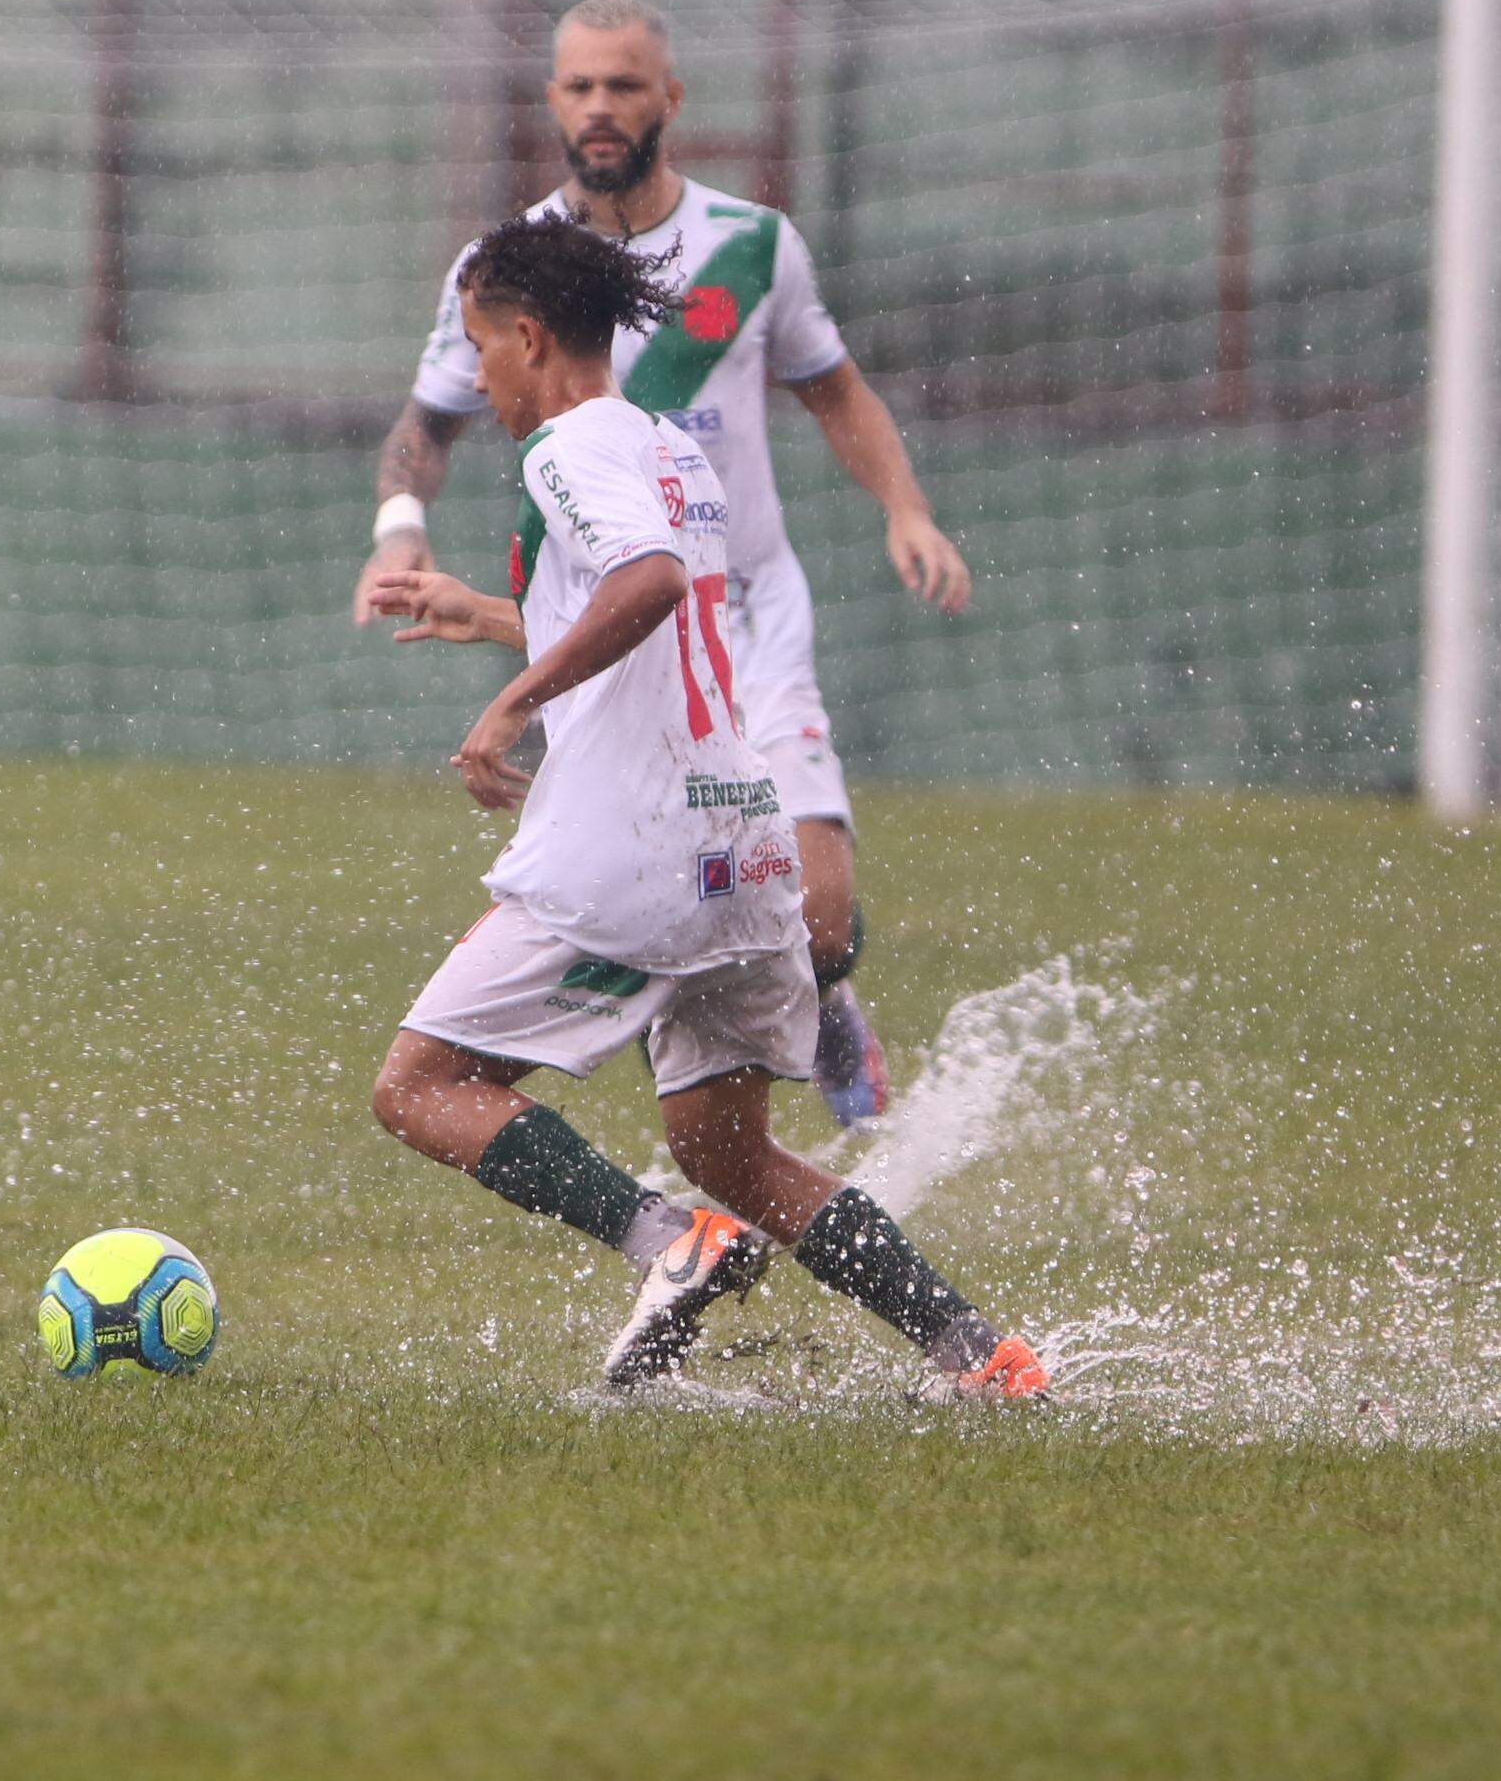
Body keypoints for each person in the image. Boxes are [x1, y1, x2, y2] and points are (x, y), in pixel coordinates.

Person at [361, 216, 1045, 1397]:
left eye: (482, 347)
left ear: (529, 337)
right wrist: (493, 614)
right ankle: (985, 1354)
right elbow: (654, 623)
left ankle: (669, 1243)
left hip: (631, 854)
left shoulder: (565, 454)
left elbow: (650, 582)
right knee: (730, 1148)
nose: (476, 374)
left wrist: (510, 703)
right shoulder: (669, 447)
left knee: (420, 1087)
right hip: (742, 841)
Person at [356, 0, 973, 1133]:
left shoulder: (754, 245)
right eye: (580, 84)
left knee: (823, 915)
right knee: (658, 895)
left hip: (746, 613)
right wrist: (400, 524)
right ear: (552, 98)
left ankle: (826, 1009)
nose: (601, 106)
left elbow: (833, 389)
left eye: (624, 84)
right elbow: (426, 421)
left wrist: (906, 508)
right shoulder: (506, 267)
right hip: (618, 633)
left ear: (670, 98)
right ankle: (708, 1132)